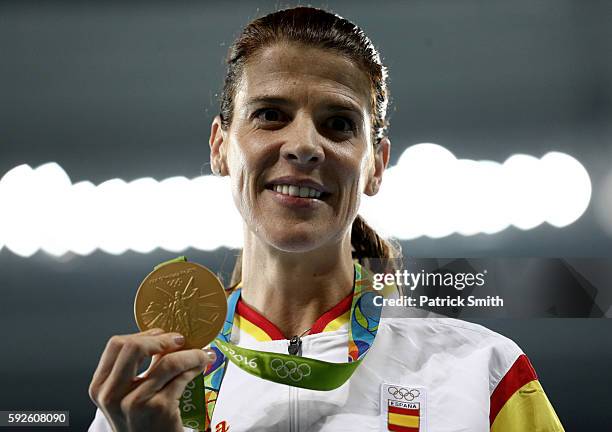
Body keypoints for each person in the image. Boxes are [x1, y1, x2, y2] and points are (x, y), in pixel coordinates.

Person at [88, 6, 565, 432]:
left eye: (338, 123)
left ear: (375, 164)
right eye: (271, 114)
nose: (304, 146)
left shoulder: (483, 372)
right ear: (220, 147)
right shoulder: (146, 400)